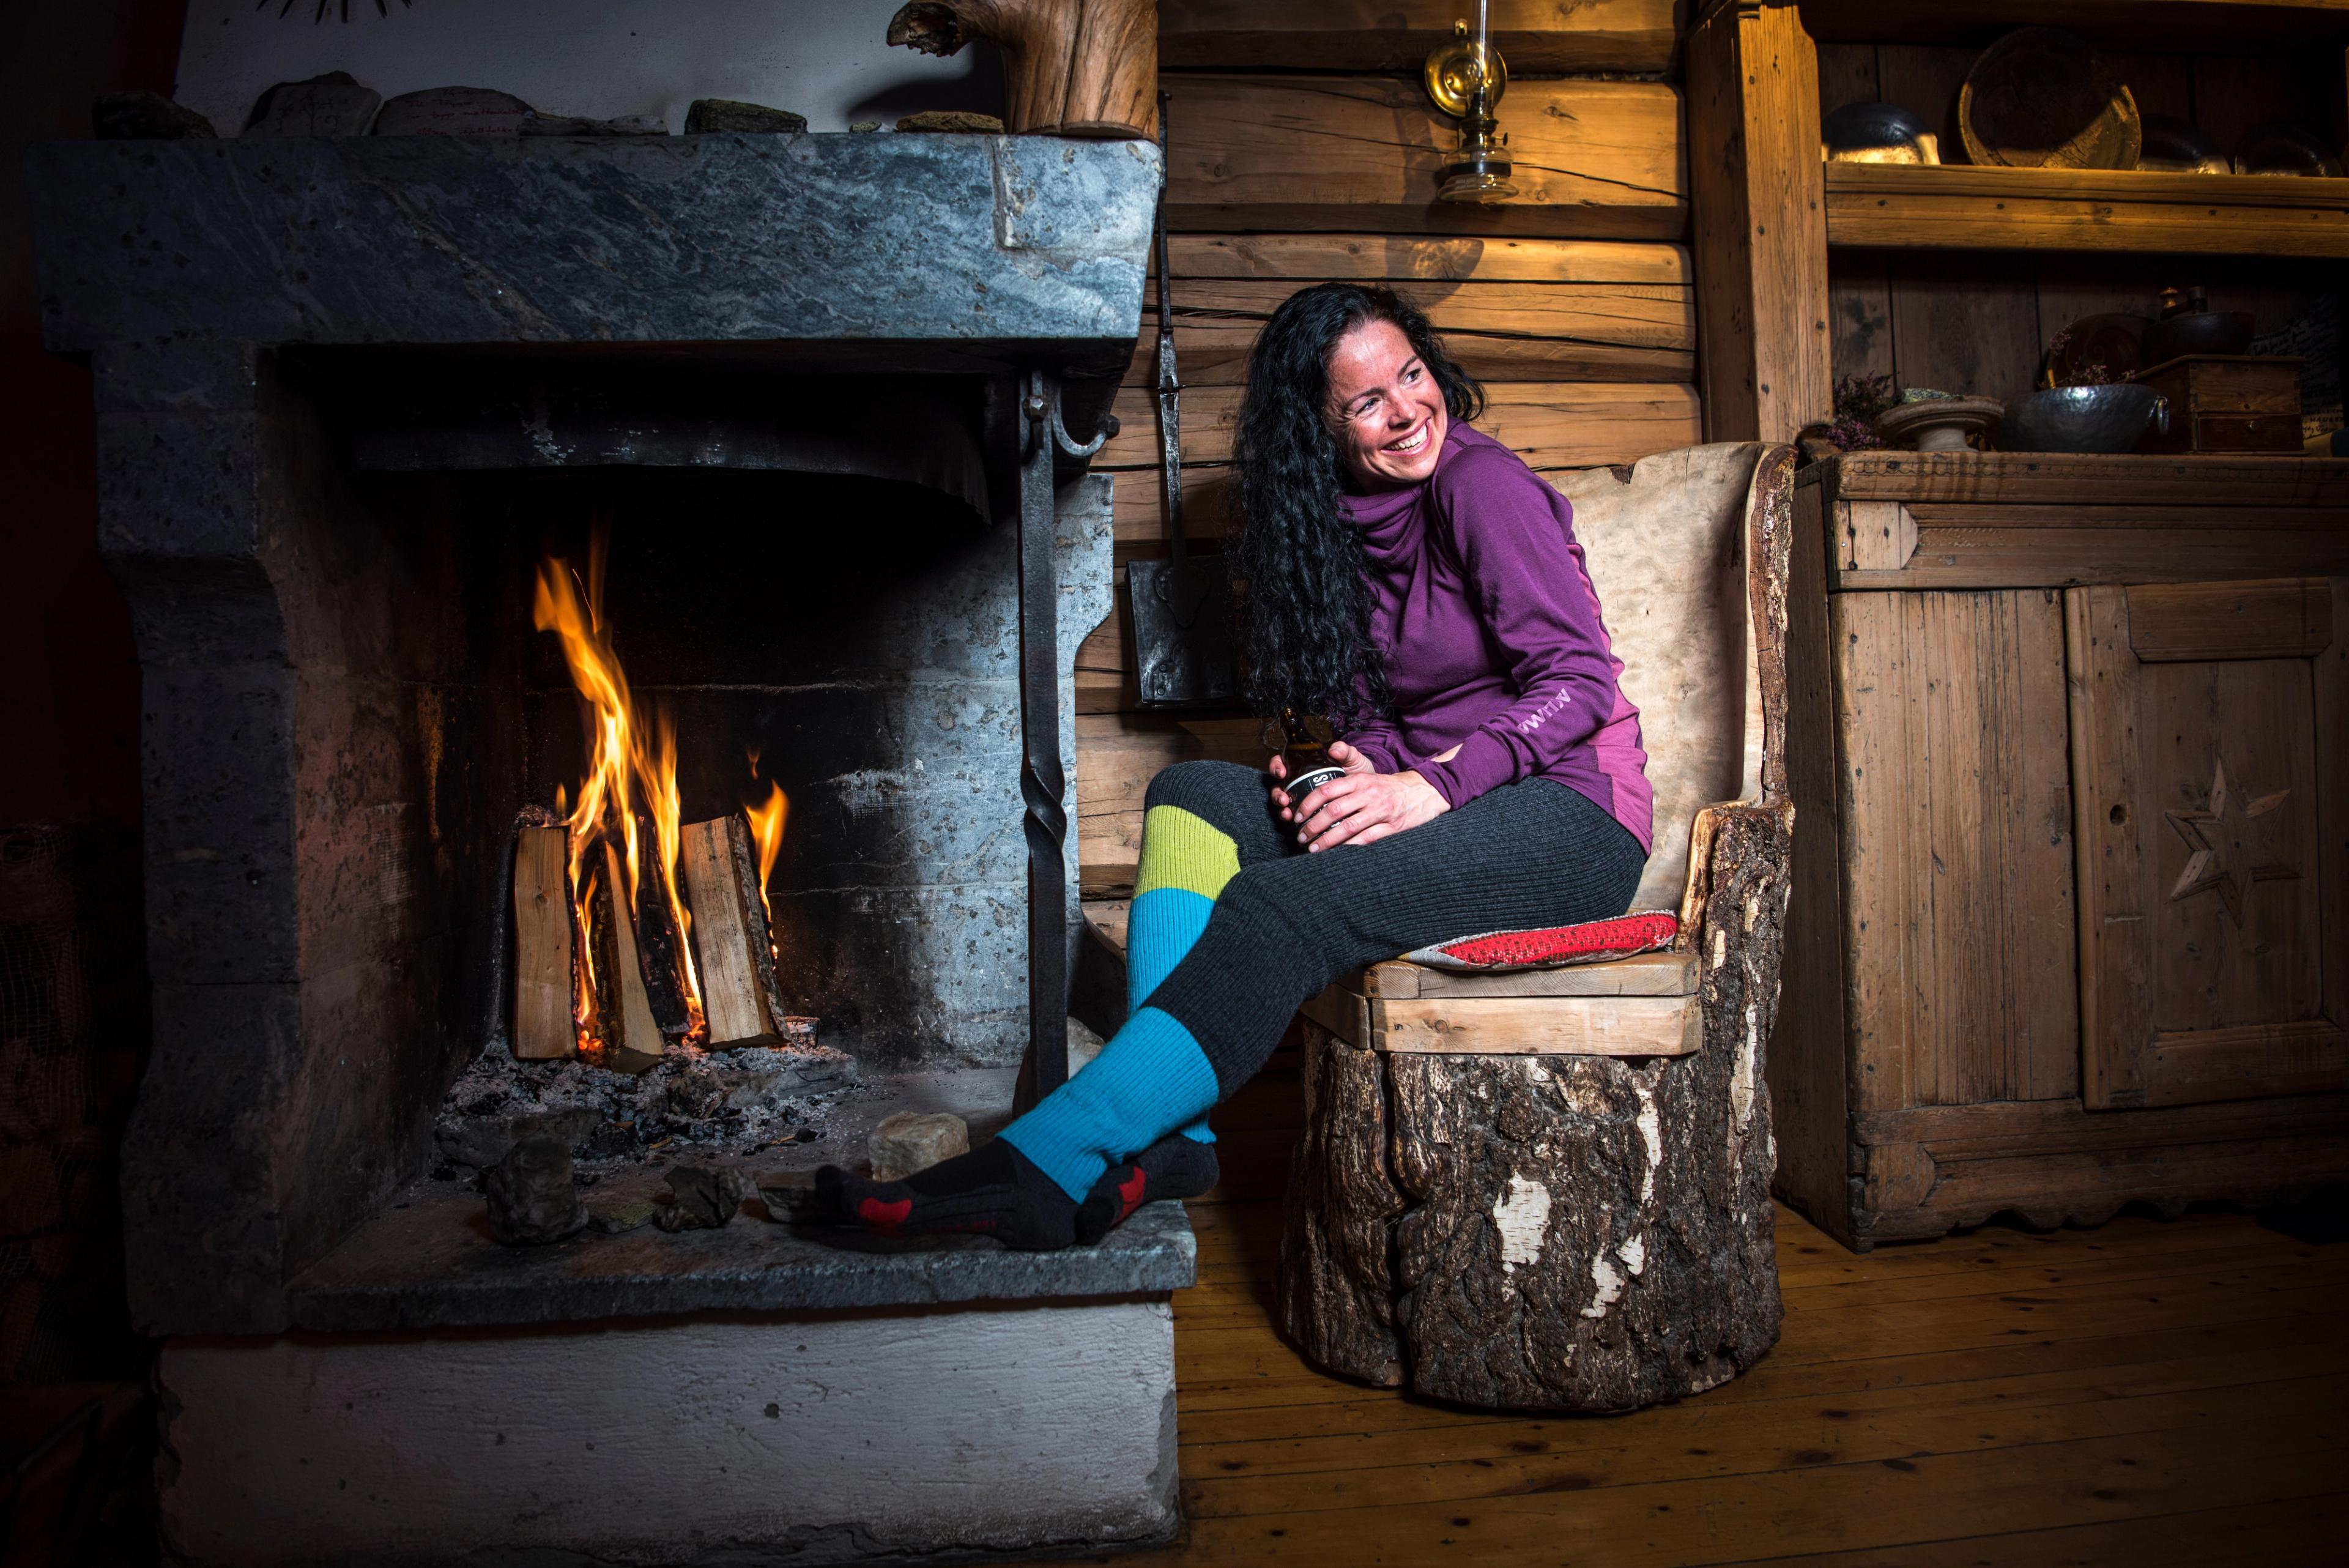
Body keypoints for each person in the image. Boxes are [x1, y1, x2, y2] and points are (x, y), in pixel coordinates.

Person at [820, 283, 1651, 1250]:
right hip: (1446, 804)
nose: (1408, 411)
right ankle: (1184, 1140)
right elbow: (1388, 715)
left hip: (1568, 813)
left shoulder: (1480, 486)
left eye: (1412, 375)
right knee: (1194, 797)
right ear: (1319, 431)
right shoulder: (1330, 530)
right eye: (1367, 403)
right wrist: (1351, 776)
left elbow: (1579, 679)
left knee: (1281, 905)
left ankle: (1042, 1163)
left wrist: (1427, 786)